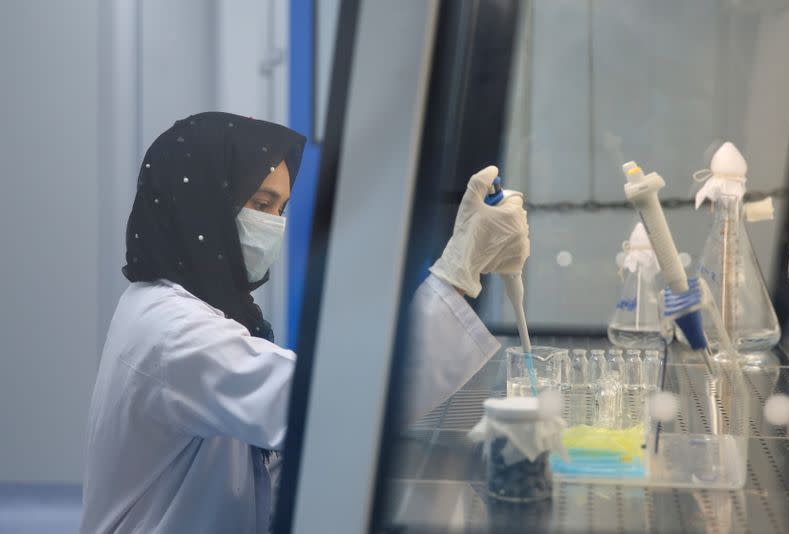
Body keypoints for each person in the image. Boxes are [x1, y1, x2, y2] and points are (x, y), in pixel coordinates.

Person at [79, 112, 529, 533]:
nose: (273, 224)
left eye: (280, 208)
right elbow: (322, 408)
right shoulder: (173, 331)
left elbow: (275, 444)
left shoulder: (185, 309)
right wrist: (456, 274)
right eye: (260, 203)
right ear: (201, 204)